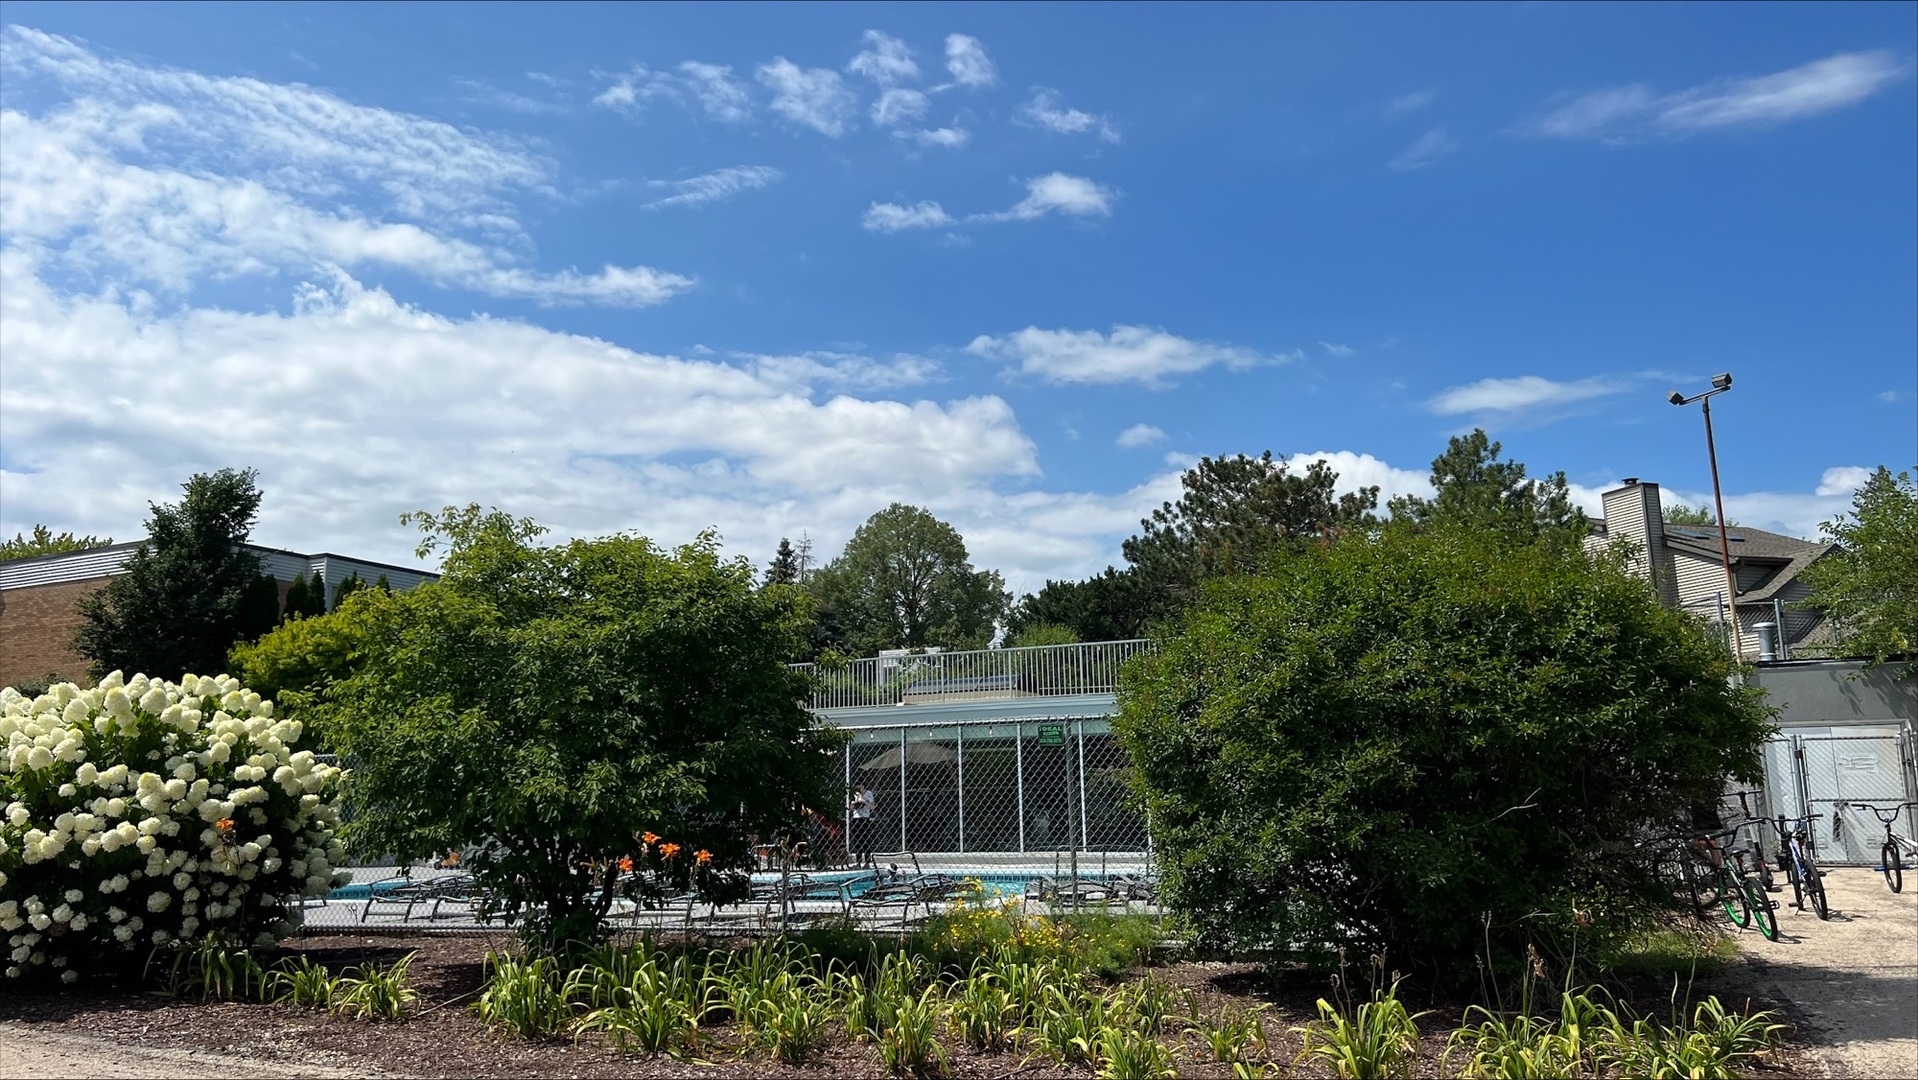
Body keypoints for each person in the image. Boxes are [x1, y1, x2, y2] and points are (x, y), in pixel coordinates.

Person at [851, 783, 876, 868]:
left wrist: (864, 801)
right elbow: (850, 807)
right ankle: (858, 862)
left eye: (860, 786)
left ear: (863, 786)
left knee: (865, 840)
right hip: (856, 818)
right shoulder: (855, 794)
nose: (858, 788)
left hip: (865, 818)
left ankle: (867, 862)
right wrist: (854, 803)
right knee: (857, 840)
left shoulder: (868, 793)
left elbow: (872, 806)